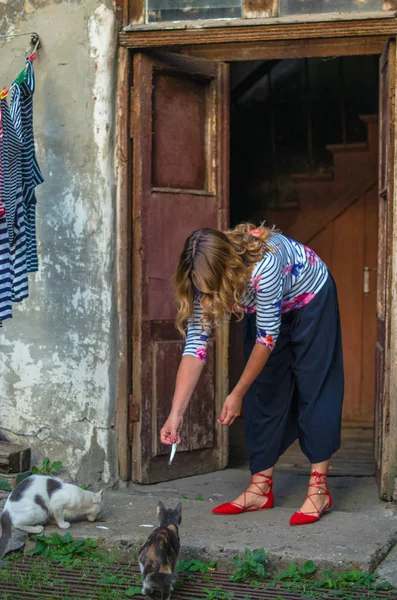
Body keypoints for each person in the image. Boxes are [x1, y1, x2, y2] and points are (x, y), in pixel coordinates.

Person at [160, 223, 344, 526]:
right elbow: (196, 347)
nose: (206, 293)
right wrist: (175, 413)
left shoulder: (264, 267)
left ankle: (319, 490)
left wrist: (235, 393)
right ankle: (260, 489)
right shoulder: (201, 276)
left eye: (212, 287)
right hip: (267, 308)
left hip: (311, 299)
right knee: (264, 389)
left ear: (227, 270)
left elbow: (266, 338)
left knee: (315, 386)